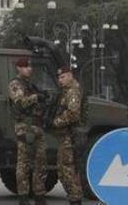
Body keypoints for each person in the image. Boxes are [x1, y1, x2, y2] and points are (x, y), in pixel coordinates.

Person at [8, 57, 48, 205]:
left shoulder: (30, 85)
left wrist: (42, 97)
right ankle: (23, 198)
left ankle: (40, 196)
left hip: (37, 127)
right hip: (25, 127)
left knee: (40, 164)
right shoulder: (15, 84)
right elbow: (20, 103)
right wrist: (36, 97)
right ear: (18, 68)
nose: (29, 69)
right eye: (25, 67)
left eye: (30, 67)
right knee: (24, 164)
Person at [51, 64, 83, 205]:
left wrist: (56, 122)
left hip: (70, 137)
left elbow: (73, 114)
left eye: (63, 77)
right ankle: (73, 198)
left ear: (70, 75)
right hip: (65, 137)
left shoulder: (73, 92)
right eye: (59, 77)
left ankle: (75, 200)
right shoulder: (66, 91)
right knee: (63, 171)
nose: (60, 80)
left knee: (68, 171)